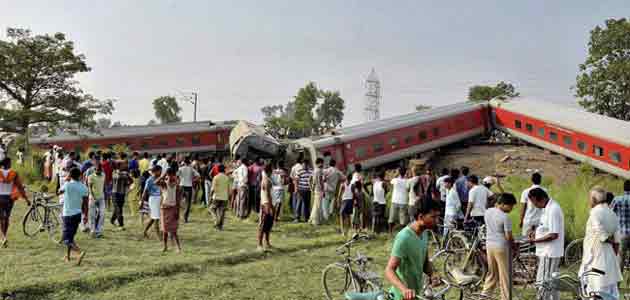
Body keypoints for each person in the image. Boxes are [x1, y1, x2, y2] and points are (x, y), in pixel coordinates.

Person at [385, 202, 441, 300]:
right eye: (433, 217)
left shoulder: (424, 233)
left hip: (417, 294)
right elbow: (389, 270)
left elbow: (425, 262)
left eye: (437, 217)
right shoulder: (404, 237)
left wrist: (432, 274)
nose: (436, 221)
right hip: (401, 296)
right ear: (420, 217)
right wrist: (404, 290)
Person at [580, 187, 622, 299]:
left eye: (590, 198)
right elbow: (617, 241)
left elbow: (600, 233)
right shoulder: (612, 214)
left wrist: (607, 240)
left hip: (595, 258)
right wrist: (613, 254)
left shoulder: (595, 212)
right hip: (610, 257)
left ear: (593, 199)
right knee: (609, 293)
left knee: (594, 291)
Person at [527, 188, 564, 300]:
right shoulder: (546, 208)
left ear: (541, 199)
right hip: (546, 251)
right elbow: (545, 227)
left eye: (534, 202)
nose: (534, 205)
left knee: (543, 281)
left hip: (549, 252)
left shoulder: (553, 209)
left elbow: (553, 235)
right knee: (551, 281)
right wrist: (534, 232)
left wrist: (535, 241)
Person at [482, 193, 517, 300]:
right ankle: (506, 298)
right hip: (501, 247)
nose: (511, 209)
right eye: (510, 206)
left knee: (492, 273)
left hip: (489, 245)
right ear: (502, 204)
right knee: (505, 275)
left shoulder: (487, 212)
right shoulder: (505, 217)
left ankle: (484, 296)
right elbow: (508, 237)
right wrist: (514, 246)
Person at [58, 168, 88, 265]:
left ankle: (79, 252)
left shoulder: (67, 185)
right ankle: (68, 256)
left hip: (68, 215)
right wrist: (85, 215)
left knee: (65, 239)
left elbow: (58, 192)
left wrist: (66, 180)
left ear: (70, 175)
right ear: (80, 176)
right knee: (71, 238)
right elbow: (86, 203)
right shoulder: (84, 187)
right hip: (78, 214)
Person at [0, 158, 29, 247]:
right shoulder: (14, 173)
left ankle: (3, 237)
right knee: (6, 218)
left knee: (1, 218)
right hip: (9, 198)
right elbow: (20, 187)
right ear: (8, 163)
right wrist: (26, 199)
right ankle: (4, 236)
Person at [156, 167, 182, 253]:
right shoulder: (164, 184)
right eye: (170, 175)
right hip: (165, 208)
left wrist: (177, 211)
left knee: (174, 230)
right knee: (165, 230)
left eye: (173, 175)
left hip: (173, 208)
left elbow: (178, 199)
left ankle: (178, 247)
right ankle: (165, 246)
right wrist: (163, 176)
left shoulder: (176, 186)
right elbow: (155, 182)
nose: (171, 177)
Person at [611, 180, 630, 271]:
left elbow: (609, 214)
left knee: (621, 259)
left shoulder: (617, 199)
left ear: (624, 188)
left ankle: (617, 284)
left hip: (622, 234)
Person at [142, 165, 162, 239]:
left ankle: (145, 231)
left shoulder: (159, 179)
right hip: (153, 199)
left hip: (158, 199)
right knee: (156, 218)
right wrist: (142, 201)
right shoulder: (149, 180)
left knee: (154, 217)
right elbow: (145, 191)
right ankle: (159, 236)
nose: (161, 172)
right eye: (160, 171)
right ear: (156, 171)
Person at [111, 159, 132, 230]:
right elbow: (118, 177)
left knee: (118, 208)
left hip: (122, 193)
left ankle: (112, 220)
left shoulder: (125, 173)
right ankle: (121, 225)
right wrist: (126, 176)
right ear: (119, 166)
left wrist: (128, 183)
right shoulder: (114, 172)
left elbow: (131, 180)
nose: (125, 165)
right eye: (123, 164)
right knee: (119, 209)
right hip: (115, 193)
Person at [177, 158, 200, 223]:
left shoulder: (180, 168)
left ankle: (177, 215)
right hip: (189, 187)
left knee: (178, 201)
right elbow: (198, 176)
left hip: (181, 186)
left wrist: (179, 181)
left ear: (184, 162)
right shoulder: (191, 169)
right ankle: (185, 217)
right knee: (188, 203)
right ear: (189, 162)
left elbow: (176, 175)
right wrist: (193, 180)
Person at [258, 163, 274, 251]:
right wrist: (271, 206)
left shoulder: (266, 179)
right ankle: (260, 244)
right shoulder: (266, 180)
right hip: (266, 204)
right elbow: (267, 194)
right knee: (263, 225)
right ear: (269, 171)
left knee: (268, 225)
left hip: (266, 203)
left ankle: (267, 242)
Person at [87, 162, 106, 238]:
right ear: (94, 169)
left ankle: (99, 231)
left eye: (100, 170)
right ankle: (92, 230)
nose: (98, 171)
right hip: (93, 198)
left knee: (102, 214)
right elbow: (89, 188)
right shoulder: (91, 176)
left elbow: (103, 186)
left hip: (101, 197)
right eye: (97, 170)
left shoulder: (103, 175)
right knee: (92, 215)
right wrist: (93, 197)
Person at [210, 164, 231, 230]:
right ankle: (220, 226)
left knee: (212, 209)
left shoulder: (216, 177)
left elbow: (212, 189)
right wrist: (229, 197)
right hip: (224, 197)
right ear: (224, 170)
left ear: (218, 170)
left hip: (216, 196)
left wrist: (210, 196)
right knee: (222, 212)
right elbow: (228, 189)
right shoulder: (227, 178)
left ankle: (216, 221)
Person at [389, 167, 409, 234]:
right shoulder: (407, 181)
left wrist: (396, 174)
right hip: (403, 201)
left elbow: (390, 182)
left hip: (395, 200)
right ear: (405, 172)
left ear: (399, 172)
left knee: (392, 216)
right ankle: (402, 233)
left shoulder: (395, 180)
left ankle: (390, 231)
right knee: (402, 218)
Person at [309, 158, 325, 225]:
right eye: (322, 163)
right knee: (318, 206)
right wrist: (323, 189)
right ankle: (316, 221)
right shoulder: (320, 171)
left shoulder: (314, 170)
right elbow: (321, 181)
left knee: (315, 205)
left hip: (316, 189)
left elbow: (311, 180)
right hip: (319, 190)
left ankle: (311, 219)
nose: (323, 164)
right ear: (319, 163)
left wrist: (312, 188)